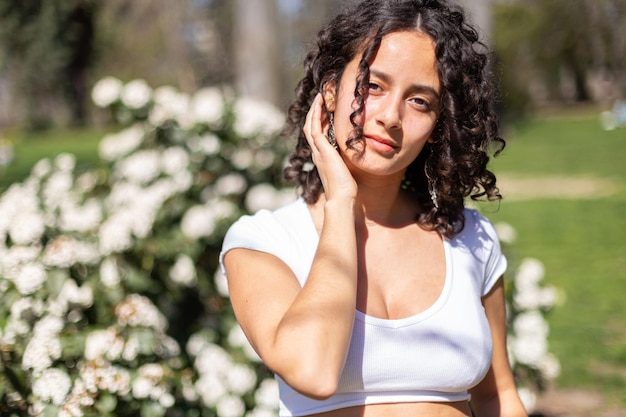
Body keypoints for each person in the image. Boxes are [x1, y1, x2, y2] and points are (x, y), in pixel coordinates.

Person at [220, 1, 529, 416]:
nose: (391, 117)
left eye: (420, 101)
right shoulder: (265, 241)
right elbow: (313, 372)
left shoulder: (470, 238)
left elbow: (498, 397)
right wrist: (341, 201)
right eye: (373, 86)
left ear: (440, 125)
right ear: (330, 92)